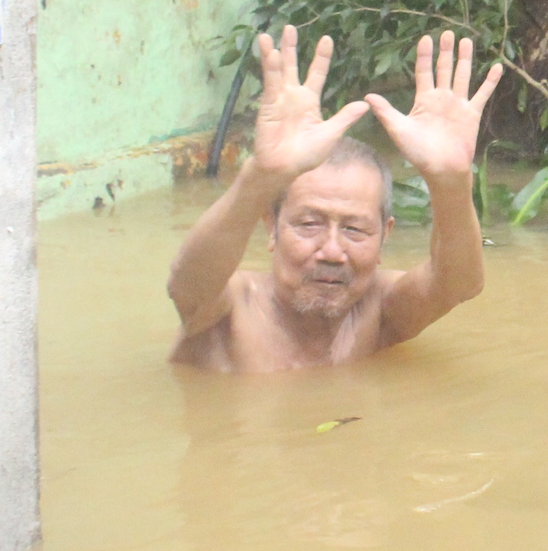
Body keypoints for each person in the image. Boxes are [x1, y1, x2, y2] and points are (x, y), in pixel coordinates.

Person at [167, 26, 501, 372]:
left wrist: (451, 182)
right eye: (309, 224)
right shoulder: (229, 312)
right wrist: (260, 176)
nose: (331, 251)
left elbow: (459, 283)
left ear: (385, 236)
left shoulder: (380, 311)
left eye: (355, 230)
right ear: (272, 226)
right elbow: (186, 283)